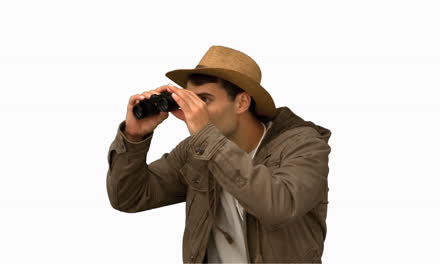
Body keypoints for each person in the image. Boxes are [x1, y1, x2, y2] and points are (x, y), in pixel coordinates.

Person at [106, 45, 332, 263]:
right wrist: (133, 137)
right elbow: (128, 197)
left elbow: (279, 207)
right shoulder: (196, 151)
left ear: (242, 102)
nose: (194, 110)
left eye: (204, 100)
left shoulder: (303, 145)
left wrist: (207, 138)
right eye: (189, 100)